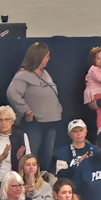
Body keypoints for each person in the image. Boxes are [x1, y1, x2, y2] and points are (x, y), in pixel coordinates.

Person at [10, 46, 64, 174]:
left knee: (47, 154)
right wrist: (26, 110)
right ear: (38, 57)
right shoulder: (24, 75)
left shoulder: (45, 73)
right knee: (31, 155)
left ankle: (43, 181)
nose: (49, 59)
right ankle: (27, 180)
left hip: (51, 121)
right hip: (35, 123)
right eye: (46, 56)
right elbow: (12, 94)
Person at [0, 109, 33, 192]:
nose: (3, 123)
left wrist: (20, 159)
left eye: (6, 119)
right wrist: (0, 158)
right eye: (0, 120)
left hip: (15, 184)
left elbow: (29, 163)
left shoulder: (21, 136)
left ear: (12, 121)